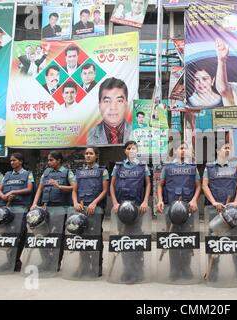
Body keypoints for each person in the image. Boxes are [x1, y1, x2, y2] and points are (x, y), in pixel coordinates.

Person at [202, 142, 237, 282]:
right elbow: (205, 185)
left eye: (229, 148)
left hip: (233, 209)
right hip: (215, 209)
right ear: (218, 151)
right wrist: (213, 202)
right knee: (214, 240)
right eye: (225, 148)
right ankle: (212, 272)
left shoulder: (235, 167)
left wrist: (235, 202)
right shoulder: (209, 167)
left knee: (236, 240)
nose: (228, 150)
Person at [157, 142, 201, 281]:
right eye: (181, 148)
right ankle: (174, 269)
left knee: (187, 238)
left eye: (186, 148)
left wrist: (194, 200)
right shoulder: (167, 167)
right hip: (171, 206)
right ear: (175, 151)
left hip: (188, 207)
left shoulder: (193, 168)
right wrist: (159, 200)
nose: (183, 151)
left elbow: (199, 186)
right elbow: (160, 185)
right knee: (173, 238)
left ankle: (186, 268)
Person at [110, 140, 151, 283]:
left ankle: (138, 270)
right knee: (123, 239)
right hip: (121, 207)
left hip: (137, 207)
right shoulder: (118, 166)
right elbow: (112, 185)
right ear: (125, 151)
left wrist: (145, 201)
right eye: (129, 148)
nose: (131, 150)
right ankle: (127, 270)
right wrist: (115, 203)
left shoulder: (142, 166)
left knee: (136, 240)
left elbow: (148, 184)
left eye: (134, 148)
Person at [71, 147, 109, 277]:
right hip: (81, 207)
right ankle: (83, 265)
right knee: (81, 237)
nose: (88, 156)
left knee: (96, 236)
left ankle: (97, 265)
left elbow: (105, 190)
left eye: (91, 153)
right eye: (86, 154)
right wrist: (75, 203)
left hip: (96, 208)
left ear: (96, 156)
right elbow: (74, 190)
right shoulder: (79, 172)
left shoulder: (102, 171)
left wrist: (94, 203)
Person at [0, 152, 35, 271]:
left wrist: (13, 193)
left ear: (21, 161)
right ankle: (10, 260)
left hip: (21, 208)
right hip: (6, 209)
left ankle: (15, 259)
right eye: (11, 161)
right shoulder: (7, 174)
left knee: (20, 235)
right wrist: (3, 196)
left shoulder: (28, 174)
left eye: (14, 160)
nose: (12, 162)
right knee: (7, 235)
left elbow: (29, 188)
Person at [87, 77, 132, 145]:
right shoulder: (92, 133)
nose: (113, 107)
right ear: (99, 105)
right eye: (107, 101)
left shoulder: (135, 131)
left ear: (126, 103)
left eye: (119, 101)